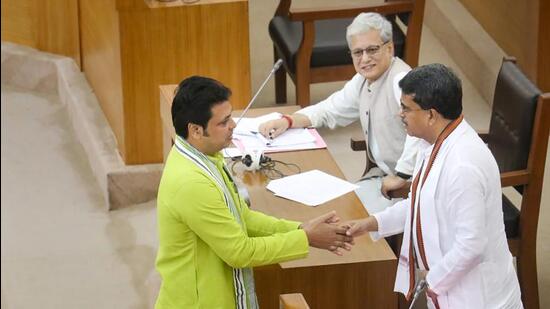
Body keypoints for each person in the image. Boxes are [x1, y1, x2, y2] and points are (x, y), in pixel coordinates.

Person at [155, 76, 354, 309]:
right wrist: (306, 238)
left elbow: (242, 218)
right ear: (196, 130)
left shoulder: (208, 158)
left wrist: (301, 229)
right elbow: (239, 252)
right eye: (224, 122)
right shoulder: (191, 183)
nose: (233, 126)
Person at [345, 64, 523, 308]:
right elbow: (421, 204)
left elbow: (472, 245)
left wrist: (432, 279)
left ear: (431, 115)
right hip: (452, 290)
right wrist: (372, 223)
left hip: (479, 299)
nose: (400, 115)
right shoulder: (433, 141)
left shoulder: (463, 166)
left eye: (406, 108)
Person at [259, 12, 424, 215]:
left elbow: (421, 132)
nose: (365, 59)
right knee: (328, 212)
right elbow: (330, 109)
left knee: (346, 225)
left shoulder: (402, 80)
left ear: (389, 48)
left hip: (411, 185)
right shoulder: (363, 80)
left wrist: (401, 175)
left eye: (372, 50)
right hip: (380, 177)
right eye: (357, 52)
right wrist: (289, 120)